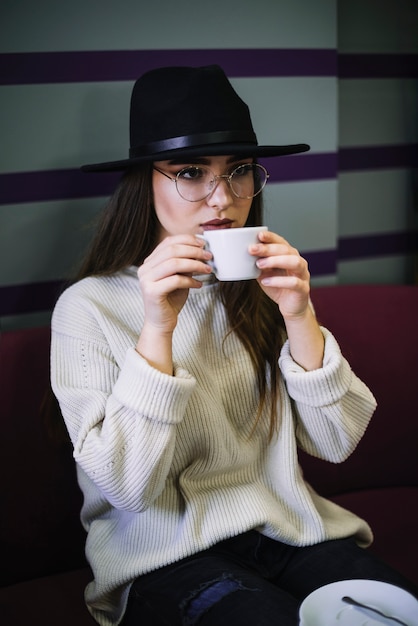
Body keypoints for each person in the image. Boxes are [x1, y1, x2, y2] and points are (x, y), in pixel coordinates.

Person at [50, 65, 416, 626]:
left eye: (239, 170)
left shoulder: (260, 292)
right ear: (143, 183)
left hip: (291, 531)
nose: (223, 198)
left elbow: (337, 441)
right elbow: (126, 488)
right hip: (163, 557)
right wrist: (158, 327)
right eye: (191, 172)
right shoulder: (89, 306)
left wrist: (300, 315)